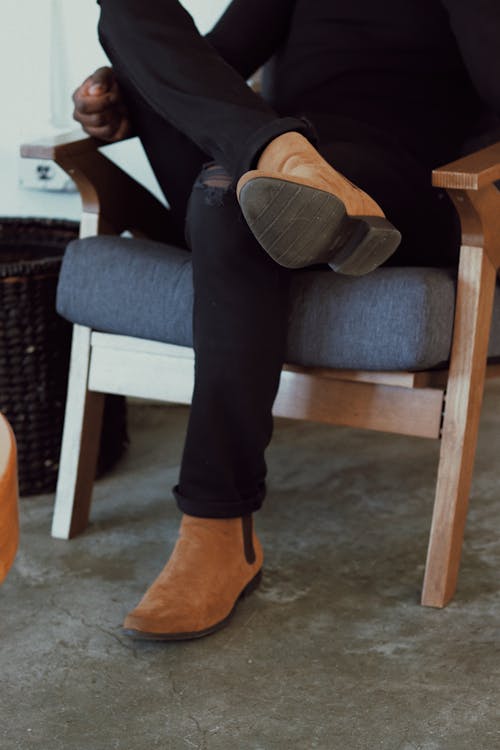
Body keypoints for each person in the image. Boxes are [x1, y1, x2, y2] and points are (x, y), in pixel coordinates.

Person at [72, 0, 499, 641]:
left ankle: (218, 530)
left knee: (226, 199)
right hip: (274, 154)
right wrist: (125, 92)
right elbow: (217, 59)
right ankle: (276, 156)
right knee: (129, 13)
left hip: (396, 186)